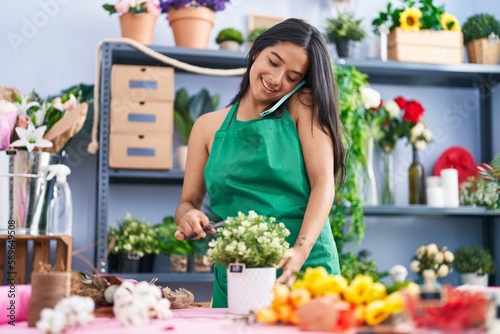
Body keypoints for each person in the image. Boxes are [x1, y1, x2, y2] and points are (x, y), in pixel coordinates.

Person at [174, 18, 347, 308]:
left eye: (292, 77)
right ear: (256, 51)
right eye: (274, 62)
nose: (278, 79)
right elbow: (187, 202)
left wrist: (299, 253)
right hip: (237, 271)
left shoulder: (304, 106)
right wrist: (188, 216)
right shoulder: (207, 127)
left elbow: (323, 184)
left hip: (305, 266)